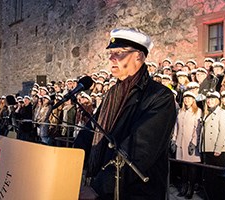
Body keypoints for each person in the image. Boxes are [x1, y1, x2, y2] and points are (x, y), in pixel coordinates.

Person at [74, 28, 176, 200]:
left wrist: (99, 188)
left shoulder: (159, 96)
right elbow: (91, 131)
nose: (111, 58)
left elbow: (139, 150)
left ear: (139, 56)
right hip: (106, 188)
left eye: (119, 53)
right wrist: (66, 164)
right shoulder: (112, 93)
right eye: (111, 53)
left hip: (136, 192)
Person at [172, 91, 202, 199]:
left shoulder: (198, 111)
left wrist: (194, 142)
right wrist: (174, 139)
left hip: (190, 143)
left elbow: (197, 128)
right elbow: (176, 126)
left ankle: (191, 188)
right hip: (181, 142)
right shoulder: (181, 111)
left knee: (192, 168)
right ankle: (184, 187)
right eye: (185, 98)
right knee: (183, 167)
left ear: (193, 100)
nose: (186, 100)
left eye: (189, 98)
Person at [200, 91, 225, 200]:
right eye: (208, 99)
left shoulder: (222, 113)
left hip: (216, 150)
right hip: (206, 148)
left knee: (218, 178)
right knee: (209, 178)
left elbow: (222, 132)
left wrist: (218, 148)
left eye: (212, 99)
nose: (209, 101)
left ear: (217, 100)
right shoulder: (207, 113)